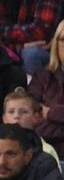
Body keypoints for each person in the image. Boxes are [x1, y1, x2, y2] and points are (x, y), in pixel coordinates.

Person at [27, 20, 64, 154]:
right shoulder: (42, 76)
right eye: (63, 39)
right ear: (56, 44)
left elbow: (42, 115)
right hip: (42, 149)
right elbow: (32, 111)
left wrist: (50, 113)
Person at [2, 88, 61, 164]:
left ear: (36, 117)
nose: (16, 116)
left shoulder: (47, 151)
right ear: (4, 118)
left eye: (24, 112)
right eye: (11, 112)